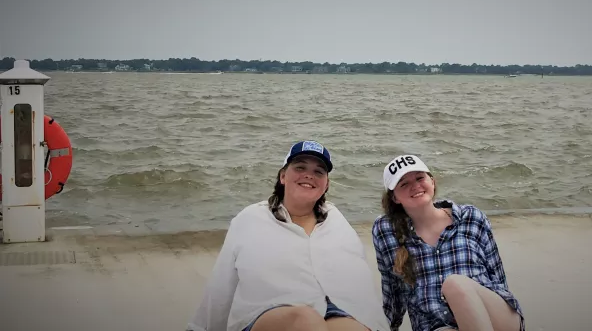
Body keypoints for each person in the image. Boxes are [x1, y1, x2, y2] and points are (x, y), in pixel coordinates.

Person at [188, 141, 391, 331]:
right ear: (283, 176)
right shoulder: (250, 219)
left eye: (318, 171)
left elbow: (359, 277)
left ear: (326, 184)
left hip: (334, 308)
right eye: (300, 167)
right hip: (267, 311)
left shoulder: (336, 220)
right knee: (305, 320)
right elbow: (222, 284)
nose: (309, 175)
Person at [372, 154, 524, 331]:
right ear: (395, 198)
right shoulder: (386, 232)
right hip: (438, 325)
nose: (415, 186)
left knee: (455, 285)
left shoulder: (471, 217)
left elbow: (497, 277)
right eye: (404, 184)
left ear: (432, 182)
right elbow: (392, 292)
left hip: (496, 317)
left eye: (420, 178)